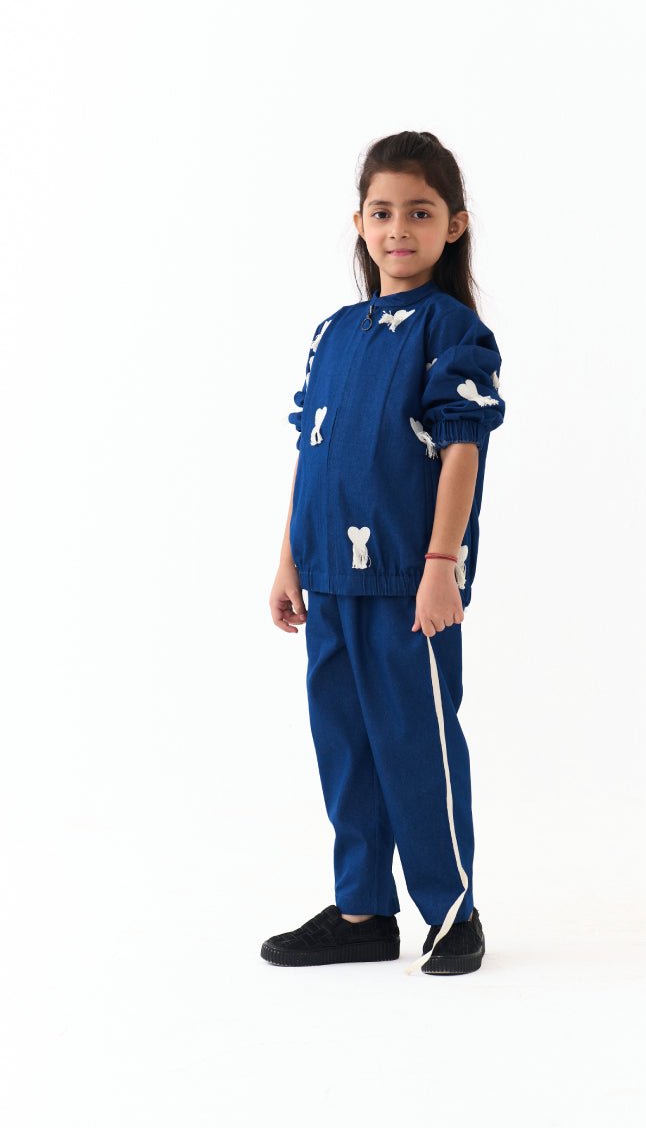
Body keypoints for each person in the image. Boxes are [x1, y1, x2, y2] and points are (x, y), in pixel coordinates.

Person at [261, 130, 506, 977]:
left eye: (420, 212)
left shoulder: (452, 330)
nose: (399, 227)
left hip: (408, 582)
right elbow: (312, 451)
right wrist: (290, 559)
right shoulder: (334, 334)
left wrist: (441, 566)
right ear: (360, 222)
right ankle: (362, 911)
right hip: (329, 579)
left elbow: (462, 451)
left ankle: (453, 912)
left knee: (416, 746)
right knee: (347, 748)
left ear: (454, 225)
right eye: (382, 211)